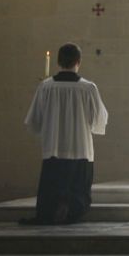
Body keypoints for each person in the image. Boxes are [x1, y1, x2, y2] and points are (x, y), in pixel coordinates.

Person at [20, 43, 108, 225]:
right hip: (80, 147)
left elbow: (35, 118)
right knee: (78, 188)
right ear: (78, 61)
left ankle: (50, 213)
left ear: (59, 62)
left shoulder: (46, 87)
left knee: (52, 186)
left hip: (53, 146)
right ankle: (71, 214)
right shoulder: (88, 88)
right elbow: (99, 118)